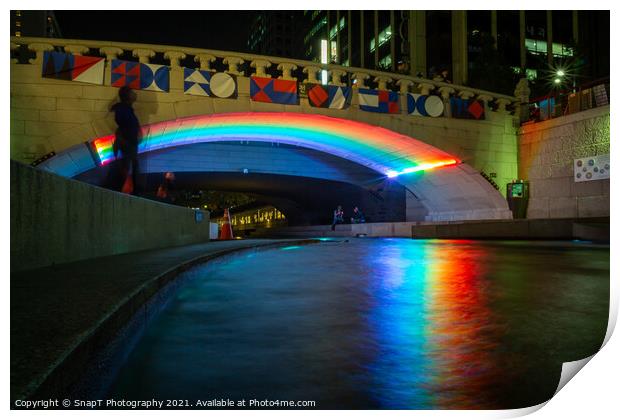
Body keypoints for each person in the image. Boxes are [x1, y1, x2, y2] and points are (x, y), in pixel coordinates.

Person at [111, 86, 142, 194]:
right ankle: (122, 191)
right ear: (127, 96)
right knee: (127, 168)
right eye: (132, 92)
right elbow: (123, 124)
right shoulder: (123, 110)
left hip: (130, 143)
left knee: (130, 167)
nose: (135, 94)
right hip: (128, 143)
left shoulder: (127, 110)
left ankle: (130, 190)